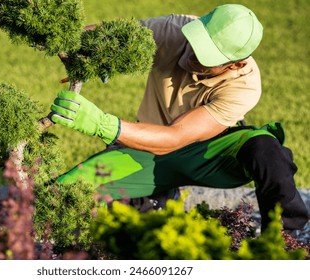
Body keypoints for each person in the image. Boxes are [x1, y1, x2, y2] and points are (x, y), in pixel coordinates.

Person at [50, 4, 309, 231]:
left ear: (236, 64)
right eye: (197, 44)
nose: (193, 56)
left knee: (266, 149)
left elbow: (177, 137)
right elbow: (109, 36)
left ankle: (284, 239)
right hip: (147, 148)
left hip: (211, 157)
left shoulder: (245, 86)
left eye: (207, 57)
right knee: (63, 192)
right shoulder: (176, 29)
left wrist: (102, 124)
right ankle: (160, 199)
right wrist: (89, 52)